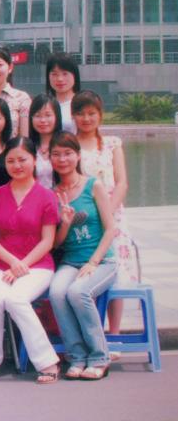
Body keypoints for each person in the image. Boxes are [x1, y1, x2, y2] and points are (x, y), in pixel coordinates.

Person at [0, 137, 60, 384]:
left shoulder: (47, 196)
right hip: (4, 264)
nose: (16, 165)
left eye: (22, 159)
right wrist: (13, 263)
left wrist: (22, 265)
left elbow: (48, 240)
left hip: (38, 265)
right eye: (11, 161)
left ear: (34, 160)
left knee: (16, 300)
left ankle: (47, 362)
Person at [49, 131, 119, 380]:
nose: (62, 159)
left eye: (67, 153)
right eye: (56, 154)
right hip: (70, 261)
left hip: (102, 261)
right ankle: (77, 356)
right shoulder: (53, 193)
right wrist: (66, 223)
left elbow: (111, 229)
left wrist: (93, 262)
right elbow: (55, 243)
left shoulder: (93, 185)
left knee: (78, 292)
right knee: (57, 293)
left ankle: (100, 357)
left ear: (78, 156)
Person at [73, 90, 136, 334]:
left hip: (112, 216)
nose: (86, 119)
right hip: (82, 219)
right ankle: (93, 334)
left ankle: (115, 333)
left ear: (100, 115)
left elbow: (122, 182)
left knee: (115, 274)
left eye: (91, 113)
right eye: (80, 113)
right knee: (86, 275)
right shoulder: (69, 144)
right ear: (73, 116)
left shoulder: (112, 144)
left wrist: (106, 213)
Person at [28, 93, 62, 189]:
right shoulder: (27, 147)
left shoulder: (65, 145)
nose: (43, 120)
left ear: (57, 117)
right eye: (37, 115)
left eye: (48, 115)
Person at [45, 52, 81, 134]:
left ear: (75, 75)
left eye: (65, 74)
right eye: (54, 74)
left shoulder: (82, 103)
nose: (60, 79)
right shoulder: (44, 105)